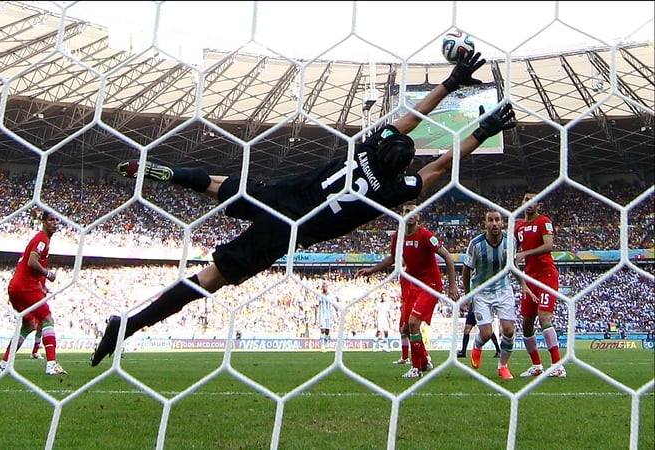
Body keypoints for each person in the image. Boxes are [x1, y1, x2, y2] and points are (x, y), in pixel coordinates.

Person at [90, 51, 517, 368]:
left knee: (217, 184)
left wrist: (452, 81)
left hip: (280, 195)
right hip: (288, 229)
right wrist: (484, 129)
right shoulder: (393, 188)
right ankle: (129, 325)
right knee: (210, 278)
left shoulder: (366, 146)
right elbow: (442, 166)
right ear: (404, 166)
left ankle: (166, 171)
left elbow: (410, 118)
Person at [355, 201, 459, 379]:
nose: (409, 214)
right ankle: (424, 360)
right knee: (405, 327)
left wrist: (452, 285)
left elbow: (447, 256)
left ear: (418, 215)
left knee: (412, 324)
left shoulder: (425, 235)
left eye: (413, 211)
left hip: (430, 285)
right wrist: (372, 270)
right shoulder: (398, 236)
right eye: (405, 211)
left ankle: (416, 368)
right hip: (413, 284)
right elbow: (393, 258)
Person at [0, 211, 67, 376]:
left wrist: (42, 287)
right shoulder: (42, 239)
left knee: (28, 325)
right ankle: (51, 365)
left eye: (57, 220)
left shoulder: (41, 240)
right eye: (51, 220)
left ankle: (3, 364)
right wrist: (47, 273)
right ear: (43, 221)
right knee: (47, 319)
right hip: (25, 286)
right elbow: (32, 262)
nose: (55, 223)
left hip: (15, 287)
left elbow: (28, 267)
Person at [461, 209, 521, 380]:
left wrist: (524, 284)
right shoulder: (476, 244)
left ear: (502, 223)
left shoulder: (511, 242)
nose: (494, 223)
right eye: (491, 220)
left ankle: (503, 366)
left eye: (497, 220)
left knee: (509, 330)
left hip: (503, 289)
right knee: (486, 333)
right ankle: (477, 345)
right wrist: (468, 295)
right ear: (485, 223)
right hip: (481, 291)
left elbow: (513, 266)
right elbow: (466, 270)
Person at [514, 191, 565, 378]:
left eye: (533, 201)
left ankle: (558, 365)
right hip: (530, 278)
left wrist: (524, 254)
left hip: (546, 276)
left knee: (544, 317)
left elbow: (549, 245)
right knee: (527, 322)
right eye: (526, 199)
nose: (529, 203)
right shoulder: (518, 226)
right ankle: (537, 365)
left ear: (538, 205)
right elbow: (513, 250)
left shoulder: (544, 221)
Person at [316, 281, 337, 351]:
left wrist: (336, 311)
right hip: (322, 314)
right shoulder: (319, 295)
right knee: (322, 330)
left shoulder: (330, 295)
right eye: (323, 286)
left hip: (329, 315)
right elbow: (317, 305)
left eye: (326, 286)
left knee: (327, 331)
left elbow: (334, 304)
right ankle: (322, 346)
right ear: (322, 288)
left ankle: (325, 345)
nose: (325, 288)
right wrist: (315, 317)